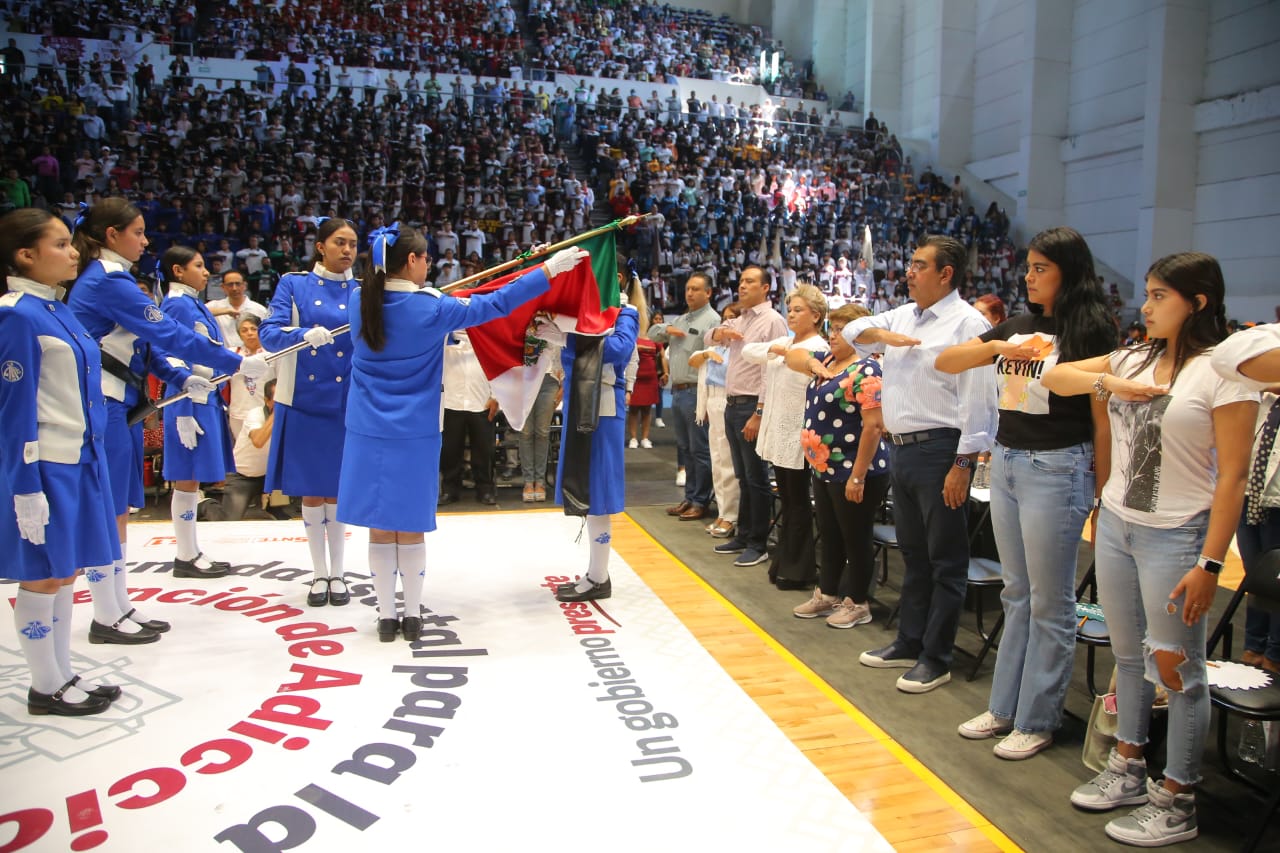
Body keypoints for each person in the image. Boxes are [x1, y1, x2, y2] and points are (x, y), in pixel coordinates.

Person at [1043, 252, 1256, 847]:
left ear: (1199, 301)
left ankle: (1178, 796)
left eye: (1160, 295)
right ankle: (1129, 765)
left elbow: (1232, 477)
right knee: (1129, 655)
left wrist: (1211, 563)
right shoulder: (1135, 355)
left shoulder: (1224, 371)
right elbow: (1056, 375)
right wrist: (1107, 381)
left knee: (1178, 670)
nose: (1146, 305)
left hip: (1179, 532)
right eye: (1147, 294)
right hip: (1117, 522)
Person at [338, 224, 581, 640]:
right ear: (412, 261)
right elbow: (497, 303)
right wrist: (545, 271)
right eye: (426, 257)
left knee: (379, 525)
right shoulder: (434, 309)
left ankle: (385, 617)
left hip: (366, 430)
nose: (429, 264)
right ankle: (412, 615)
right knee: (409, 523)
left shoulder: (360, 299)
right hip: (414, 432)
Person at [935, 227, 1118, 758]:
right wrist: (994, 346)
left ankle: (1038, 717)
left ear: (1069, 271)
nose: (1029, 276)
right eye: (1029, 267)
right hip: (1009, 460)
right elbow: (946, 362)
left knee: (1051, 601)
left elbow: (1104, 420)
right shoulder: (1017, 328)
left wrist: (1102, 494)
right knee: (1016, 593)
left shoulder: (1092, 333)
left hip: (1060, 465)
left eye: (1041, 268)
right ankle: (1004, 707)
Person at [68, 198, 267, 644]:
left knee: (118, 507)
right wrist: (234, 362)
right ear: (110, 235)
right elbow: (168, 335)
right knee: (109, 509)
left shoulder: (113, 280)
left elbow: (145, 350)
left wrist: (180, 377)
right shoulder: (108, 281)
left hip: (120, 403)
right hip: (104, 404)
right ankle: (106, 613)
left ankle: (117, 605)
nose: (144, 240)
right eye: (137, 232)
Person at [843, 236, 998, 693]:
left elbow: (979, 399)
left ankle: (937, 655)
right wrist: (881, 335)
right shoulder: (903, 314)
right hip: (903, 447)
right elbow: (853, 330)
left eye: (918, 265)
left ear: (945, 273)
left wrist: (963, 461)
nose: (908, 272)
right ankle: (909, 640)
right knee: (914, 554)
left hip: (941, 448)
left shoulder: (966, 322)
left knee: (946, 559)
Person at [0, 209, 121, 716]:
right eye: (61, 244)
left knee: (65, 570)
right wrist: (23, 484)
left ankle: (63, 672)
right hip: (47, 464)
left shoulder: (57, 309)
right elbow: (13, 409)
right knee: (44, 575)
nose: (74, 253)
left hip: (80, 458)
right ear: (26, 256)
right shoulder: (16, 315)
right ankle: (44, 686)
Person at [259, 218, 358, 609]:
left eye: (352, 243)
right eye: (339, 242)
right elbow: (269, 333)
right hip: (303, 398)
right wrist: (301, 335)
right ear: (321, 246)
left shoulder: (363, 290)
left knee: (337, 491)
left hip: (346, 401)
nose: (347, 250)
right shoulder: (294, 284)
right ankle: (319, 572)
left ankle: (340, 572)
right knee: (312, 491)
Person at [789, 303, 891, 626]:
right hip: (825, 467)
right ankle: (828, 593)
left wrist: (858, 476)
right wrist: (810, 363)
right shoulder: (828, 361)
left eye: (841, 330)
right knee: (830, 532)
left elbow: (873, 426)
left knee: (855, 535)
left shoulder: (868, 370)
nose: (832, 335)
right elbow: (791, 357)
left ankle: (858, 601)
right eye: (832, 328)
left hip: (855, 469)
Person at [550, 262, 642, 603]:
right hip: (580, 403)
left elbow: (618, 351)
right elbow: (569, 359)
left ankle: (599, 577)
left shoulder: (626, 312)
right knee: (586, 488)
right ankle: (594, 573)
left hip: (603, 407)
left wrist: (574, 333)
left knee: (599, 491)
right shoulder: (585, 313)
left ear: (617, 277)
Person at [157, 246, 238, 577]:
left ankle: (189, 552)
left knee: (191, 481)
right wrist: (184, 409)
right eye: (200, 266)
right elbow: (172, 356)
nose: (207, 272)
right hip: (189, 401)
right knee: (186, 480)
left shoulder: (191, 304)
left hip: (204, 399)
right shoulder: (176, 304)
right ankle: (185, 555)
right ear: (178, 271)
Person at [745, 284, 830, 588]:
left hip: (798, 432)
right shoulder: (786, 341)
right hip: (778, 429)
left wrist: (785, 352)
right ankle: (786, 563)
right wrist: (776, 349)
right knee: (789, 501)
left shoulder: (819, 348)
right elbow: (748, 351)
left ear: (816, 315)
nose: (791, 314)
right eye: (790, 309)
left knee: (797, 503)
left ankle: (797, 569)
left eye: (798, 310)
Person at [705, 266, 789, 568]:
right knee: (742, 475)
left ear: (766, 288)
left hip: (752, 404)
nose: (742, 286)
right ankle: (743, 533)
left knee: (756, 477)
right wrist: (719, 332)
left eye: (750, 282)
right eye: (741, 281)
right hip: (732, 402)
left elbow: (772, 368)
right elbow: (707, 340)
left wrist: (759, 412)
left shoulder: (773, 321)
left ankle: (759, 542)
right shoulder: (740, 318)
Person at [1212, 322, 1280, 674]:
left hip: (1277, 501)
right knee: (1253, 577)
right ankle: (1253, 648)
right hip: (1252, 493)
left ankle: (1274, 655)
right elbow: (1229, 358)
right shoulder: (1264, 390)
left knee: (1277, 584)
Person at [650, 271, 719, 521]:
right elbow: (652, 334)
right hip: (678, 391)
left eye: (696, 289)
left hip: (696, 390)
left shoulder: (712, 321)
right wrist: (667, 327)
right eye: (688, 288)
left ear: (708, 293)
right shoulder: (681, 319)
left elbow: (716, 358)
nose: (690, 293)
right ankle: (690, 497)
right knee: (685, 448)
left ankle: (701, 500)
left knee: (700, 449)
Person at [690, 302, 741, 538]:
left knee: (728, 463)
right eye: (724, 318)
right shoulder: (716, 346)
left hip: (730, 401)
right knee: (717, 461)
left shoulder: (741, 349)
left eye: (732, 318)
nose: (726, 323)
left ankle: (732, 515)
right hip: (712, 401)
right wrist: (708, 352)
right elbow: (695, 359)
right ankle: (722, 511)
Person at [439, 330, 499, 506]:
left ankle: (485, 490)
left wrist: (495, 397)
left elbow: (496, 371)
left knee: (484, 451)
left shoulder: (486, 343)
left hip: (480, 403)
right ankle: (450, 490)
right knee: (450, 451)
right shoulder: (445, 344)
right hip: (451, 403)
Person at [224, 380, 275, 521]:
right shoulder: (255, 414)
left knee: (284, 519)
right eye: (278, 400)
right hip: (242, 476)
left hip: (269, 477)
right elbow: (258, 441)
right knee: (228, 521)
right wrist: (277, 414)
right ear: (267, 400)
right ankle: (206, 505)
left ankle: (263, 506)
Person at [207, 268, 268, 350]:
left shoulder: (259, 309)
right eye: (230, 284)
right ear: (223, 287)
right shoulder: (215, 306)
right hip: (225, 357)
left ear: (245, 286)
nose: (234, 288)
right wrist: (224, 311)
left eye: (238, 284)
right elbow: (193, 311)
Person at [628, 319, 660, 448]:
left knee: (647, 409)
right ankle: (633, 438)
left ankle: (645, 438)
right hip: (635, 377)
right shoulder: (632, 334)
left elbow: (661, 355)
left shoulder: (654, 337)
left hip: (650, 377)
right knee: (633, 409)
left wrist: (665, 372)